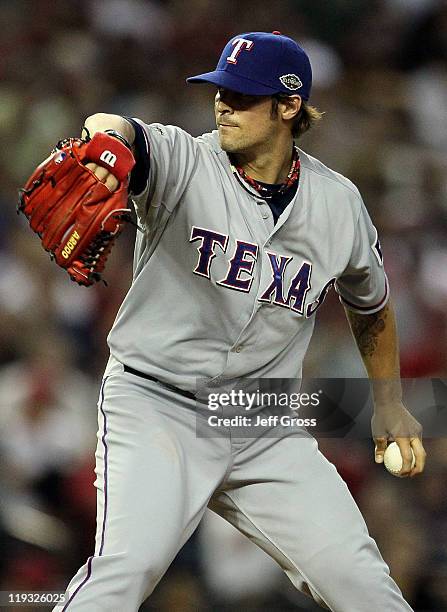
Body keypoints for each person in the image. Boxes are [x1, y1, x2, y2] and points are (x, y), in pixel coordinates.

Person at [54, 31, 426, 611]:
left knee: (361, 581)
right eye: (219, 90)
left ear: (289, 105)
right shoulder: (185, 161)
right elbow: (122, 128)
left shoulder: (338, 204)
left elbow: (371, 304)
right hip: (157, 403)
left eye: (242, 95)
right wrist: (105, 139)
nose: (223, 103)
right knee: (125, 571)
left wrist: (389, 400)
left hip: (261, 418)